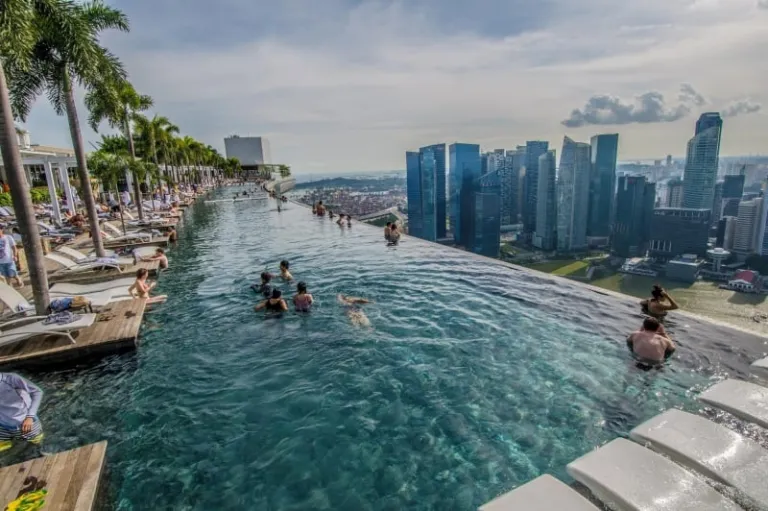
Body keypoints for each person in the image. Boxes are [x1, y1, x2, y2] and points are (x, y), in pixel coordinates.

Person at [0, 372, 44, 452]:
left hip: (27, 424)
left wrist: (30, 417)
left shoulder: (11, 379)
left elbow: (37, 392)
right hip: (3, 427)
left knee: (38, 449)